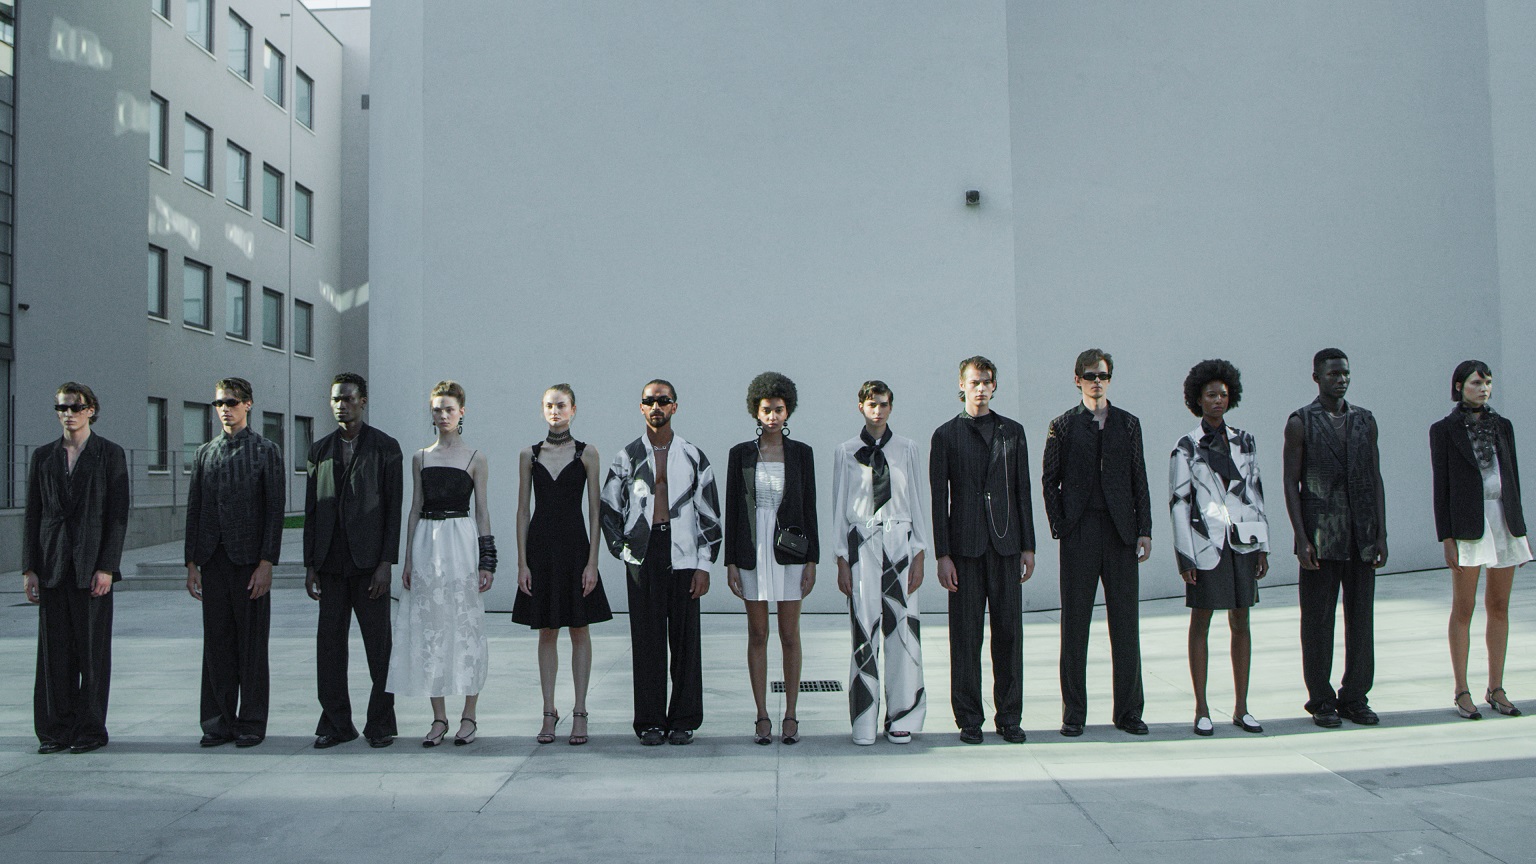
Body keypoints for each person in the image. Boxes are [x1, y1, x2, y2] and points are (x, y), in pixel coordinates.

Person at [600, 379, 722, 746]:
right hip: (644, 552)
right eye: (650, 401)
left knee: (685, 642)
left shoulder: (693, 455)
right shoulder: (627, 456)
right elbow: (609, 508)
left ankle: (683, 719)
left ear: (674, 406)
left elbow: (709, 513)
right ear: (641, 407)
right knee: (647, 640)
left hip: (684, 552)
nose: (656, 407)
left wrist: (704, 565)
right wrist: (625, 552)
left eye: (663, 401)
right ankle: (650, 721)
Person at [1041, 350, 1152, 737]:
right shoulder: (1062, 426)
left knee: (1126, 625)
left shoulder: (1129, 424)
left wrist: (1144, 529)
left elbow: (1139, 477)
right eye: (1089, 376)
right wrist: (1061, 526)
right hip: (1080, 532)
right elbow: (1049, 480)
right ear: (1077, 380)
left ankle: (1129, 711)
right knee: (1075, 626)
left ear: (1109, 379)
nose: (1096, 382)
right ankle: (1074, 713)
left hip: (1121, 533)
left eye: (1102, 376)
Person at [930, 355, 1036, 744]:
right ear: (961, 385)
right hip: (965, 549)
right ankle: (969, 718)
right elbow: (938, 499)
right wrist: (943, 554)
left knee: (1009, 634)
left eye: (987, 381)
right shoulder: (946, 435)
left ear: (994, 386)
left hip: (1006, 546)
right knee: (965, 636)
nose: (981, 388)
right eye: (974, 382)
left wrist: (1028, 546)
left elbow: (1023, 491)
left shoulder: (1013, 432)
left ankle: (1009, 716)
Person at [386, 380, 496, 746]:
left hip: (461, 542)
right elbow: (414, 508)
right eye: (437, 409)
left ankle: (469, 715)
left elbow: (482, 512)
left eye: (449, 409)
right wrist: (407, 559)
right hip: (426, 543)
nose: (443, 415)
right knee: (429, 627)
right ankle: (438, 718)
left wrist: (488, 561)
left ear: (461, 411)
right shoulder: (420, 457)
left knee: (464, 625)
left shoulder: (475, 457)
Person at [1282, 349, 1387, 728]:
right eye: (1332, 374)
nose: (1341, 379)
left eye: (1345, 373)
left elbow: (1375, 477)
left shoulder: (1364, 420)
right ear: (1317, 378)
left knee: (1361, 621)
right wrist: (1301, 536)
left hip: (1361, 536)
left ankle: (1355, 696)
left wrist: (1381, 534)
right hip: (1321, 536)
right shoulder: (1301, 422)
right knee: (1317, 622)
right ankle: (1321, 699)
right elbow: (1290, 483)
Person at [23, 382, 129, 754]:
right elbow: (33, 514)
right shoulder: (43, 457)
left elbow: (117, 516)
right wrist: (29, 568)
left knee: (92, 654)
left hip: (92, 569)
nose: (67, 414)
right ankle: (55, 731)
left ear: (90, 410)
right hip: (52, 566)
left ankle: (90, 730)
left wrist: (107, 566)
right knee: (54, 655)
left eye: (74, 407)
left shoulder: (110, 454)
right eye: (61, 408)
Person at [303, 372, 404, 749]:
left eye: (347, 398)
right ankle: (335, 724)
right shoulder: (319, 450)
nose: (340, 405)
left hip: (369, 565)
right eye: (335, 399)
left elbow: (394, 510)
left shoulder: (385, 448)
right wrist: (310, 565)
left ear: (363, 401)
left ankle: (380, 724)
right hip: (330, 564)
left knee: (379, 648)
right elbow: (312, 511)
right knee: (329, 647)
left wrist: (386, 563)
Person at [1170, 359, 1269, 737]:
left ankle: (1242, 707)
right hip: (1205, 545)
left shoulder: (1245, 440)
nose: (1217, 401)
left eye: (1223, 395)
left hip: (1242, 543)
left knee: (1241, 621)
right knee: (1202, 621)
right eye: (1211, 395)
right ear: (1198, 399)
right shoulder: (1186, 446)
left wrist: (1263, 545)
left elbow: (1256, 492)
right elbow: (1178, 503)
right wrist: (1185, 556)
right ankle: (1202, 708)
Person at [185, 377, 285, 748]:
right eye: (219, 404)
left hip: (249, 561)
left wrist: (267, 562)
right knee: (216, 645)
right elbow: (195, 508)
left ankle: (251, 722)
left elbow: (275, 509)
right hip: (213, 559)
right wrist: (191, 563)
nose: (224, 409)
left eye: (231, 402)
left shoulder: (266, 451)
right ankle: (217, 722)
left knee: (252, 646)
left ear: (248, 405)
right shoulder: (205, 453)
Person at [513, 384, 613, 746]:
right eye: (549, 405)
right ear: (542, 410)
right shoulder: (529, 455)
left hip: (575, 549)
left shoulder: (588, 453)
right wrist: (522, 563)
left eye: (561, 405)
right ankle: (548, 711)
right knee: (547, 630)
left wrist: (593, 562)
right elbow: (523, 511)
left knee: (579, 628)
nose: (554, 411)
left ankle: (581, 711)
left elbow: (595, 511)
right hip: (540, 550)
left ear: (573, 409)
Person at [1431, 360, 1529, 720]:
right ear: (1459, 386)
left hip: (1503, 519)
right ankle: (1461, 689)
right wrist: (1447, 537)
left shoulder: (1502, 425)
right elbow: (1441, 487)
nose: (1484, 388)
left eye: (1487, 382)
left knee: (1499, 605)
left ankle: (1496, 687)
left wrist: (1520, 530)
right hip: (1468, 524)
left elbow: (1513, 477)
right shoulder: (1443, 430)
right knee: (1464, 607)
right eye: (1476, 382)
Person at [725, 372, 819, 745]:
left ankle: (791, 714)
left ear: (788, 410)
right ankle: (762, 714)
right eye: (767, 409)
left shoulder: (802, 453)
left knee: (789, 634)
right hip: (751, 549)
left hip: (790, 551)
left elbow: (809, 508)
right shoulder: (740, 454)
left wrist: (812, 560)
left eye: (779, 409)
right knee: (758, 633)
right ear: (756, 411)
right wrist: (730, 561)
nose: (773, 416)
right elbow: (733, 510)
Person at [833, 380, 927, 745]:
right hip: (863, 542)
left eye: (884, 404)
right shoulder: (846, 451)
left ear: (891, 407)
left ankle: (902, 715)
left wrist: (920, 552)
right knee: (864, 629)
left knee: (903, 630)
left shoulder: (907, 448)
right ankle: (863, 719)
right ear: (861, 406)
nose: (878, 410)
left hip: (900, 542)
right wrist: (841, 558)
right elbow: (839, 505)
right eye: (872, 404)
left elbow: (916, 499)